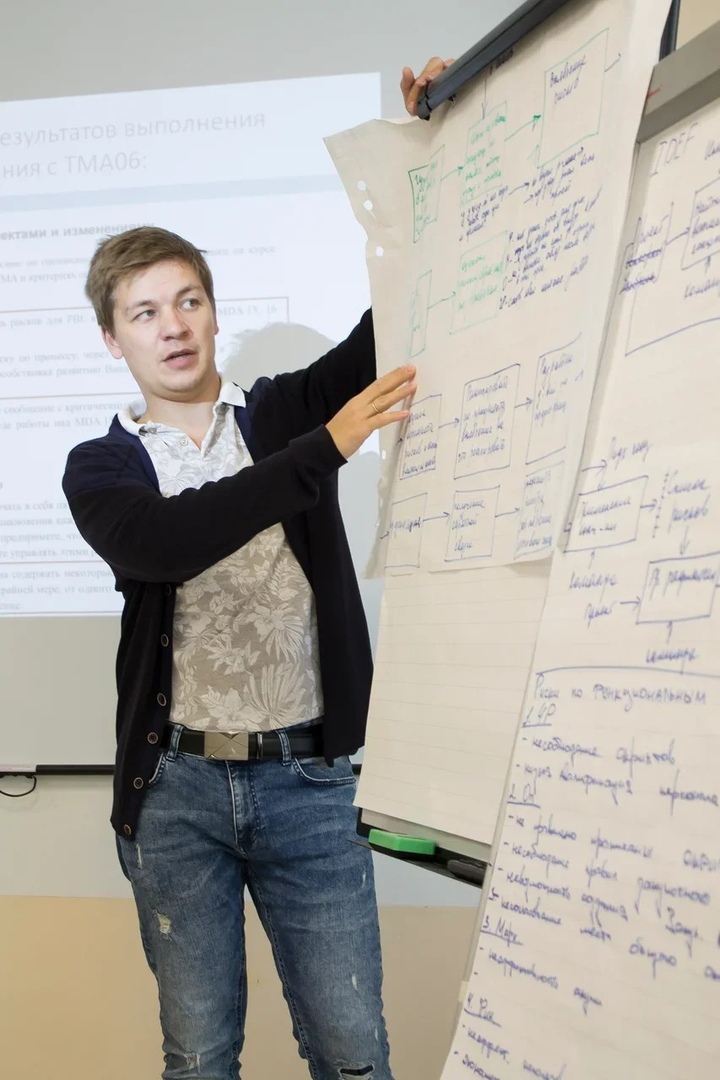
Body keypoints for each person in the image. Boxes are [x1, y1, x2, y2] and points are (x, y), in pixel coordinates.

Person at [63, 57, 451, 1080]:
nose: (173, 325)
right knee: (200, 1058)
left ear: (213, 310)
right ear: (112, 338)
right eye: (145, 311)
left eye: (188, 300)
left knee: (354, 1053)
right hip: (175, 792)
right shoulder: (102, 465)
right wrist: (325, 449)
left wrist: (438, 146)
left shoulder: (279, 411)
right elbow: (166, 542)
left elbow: (392, 321)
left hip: (308, 783)